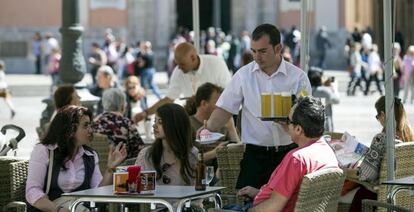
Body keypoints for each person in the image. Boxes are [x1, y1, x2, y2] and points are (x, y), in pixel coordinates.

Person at [203, 23, 312, 190]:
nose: (257, 57)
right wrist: (208, 127)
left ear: (278, 48)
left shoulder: (298, 77)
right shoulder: (243, 76)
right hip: (255, 155)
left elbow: (307, 119)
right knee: (249, 204)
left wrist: (289, 122)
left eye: (262, 51)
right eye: (253, 51)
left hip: (289, 153)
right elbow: (224, 108)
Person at [234, 96, 339, 211]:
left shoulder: (297, 159)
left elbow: (273, 207)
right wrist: (259, 193)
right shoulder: (327, 151)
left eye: (288, 121)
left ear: (298, 129)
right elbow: (292, 195)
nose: (286, 124)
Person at [26, 106, 127, 212]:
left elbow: (98, 193)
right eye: (85, 125)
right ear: (70, 129)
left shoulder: (90, 156)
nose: (91, 130)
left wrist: (110, 169)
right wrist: (58, 210)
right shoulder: (45, 151)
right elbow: (32, 191)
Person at [341, 96, 414, 211]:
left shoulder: (381, 139)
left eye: (377, 116)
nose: (378, 120)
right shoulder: (408, 136)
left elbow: (364, 175)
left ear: (383, 115)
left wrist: (340, 171)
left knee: (340, 194)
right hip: (401, 196)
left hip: (376, 198)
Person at [133, 42, 232, 123]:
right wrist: (146, 113)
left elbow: (227, 94)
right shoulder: (178, 72)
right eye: (177, 64)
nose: (179, 67)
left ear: (193, 58)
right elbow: (168, 99)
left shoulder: (216, 64)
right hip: (194, 119)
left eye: (182, 64)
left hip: (219, 118)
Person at [135, 103, 198, 186]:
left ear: (174, 124)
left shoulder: (192, 154)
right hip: (153, 199)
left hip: (183, 199)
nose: (154, 125)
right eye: (155, 121)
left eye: (160, 122)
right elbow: (135, 187)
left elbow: (198, 191)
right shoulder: (146, 155)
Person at [185, 82, 239, 166]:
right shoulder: (188, 124)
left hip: (224, 171)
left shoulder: (223, 122)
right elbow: (186, 159)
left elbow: (239, 153)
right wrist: (214, 153)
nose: (222, 107)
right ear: (204, 104)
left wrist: (231, 128)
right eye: (219, 103)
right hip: (200, 172)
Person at [92, 88, 145, 159]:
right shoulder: (126, 123)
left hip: (97, 165)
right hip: (121, 166)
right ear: (122, 106)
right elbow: (140, 150)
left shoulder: (95, 121)